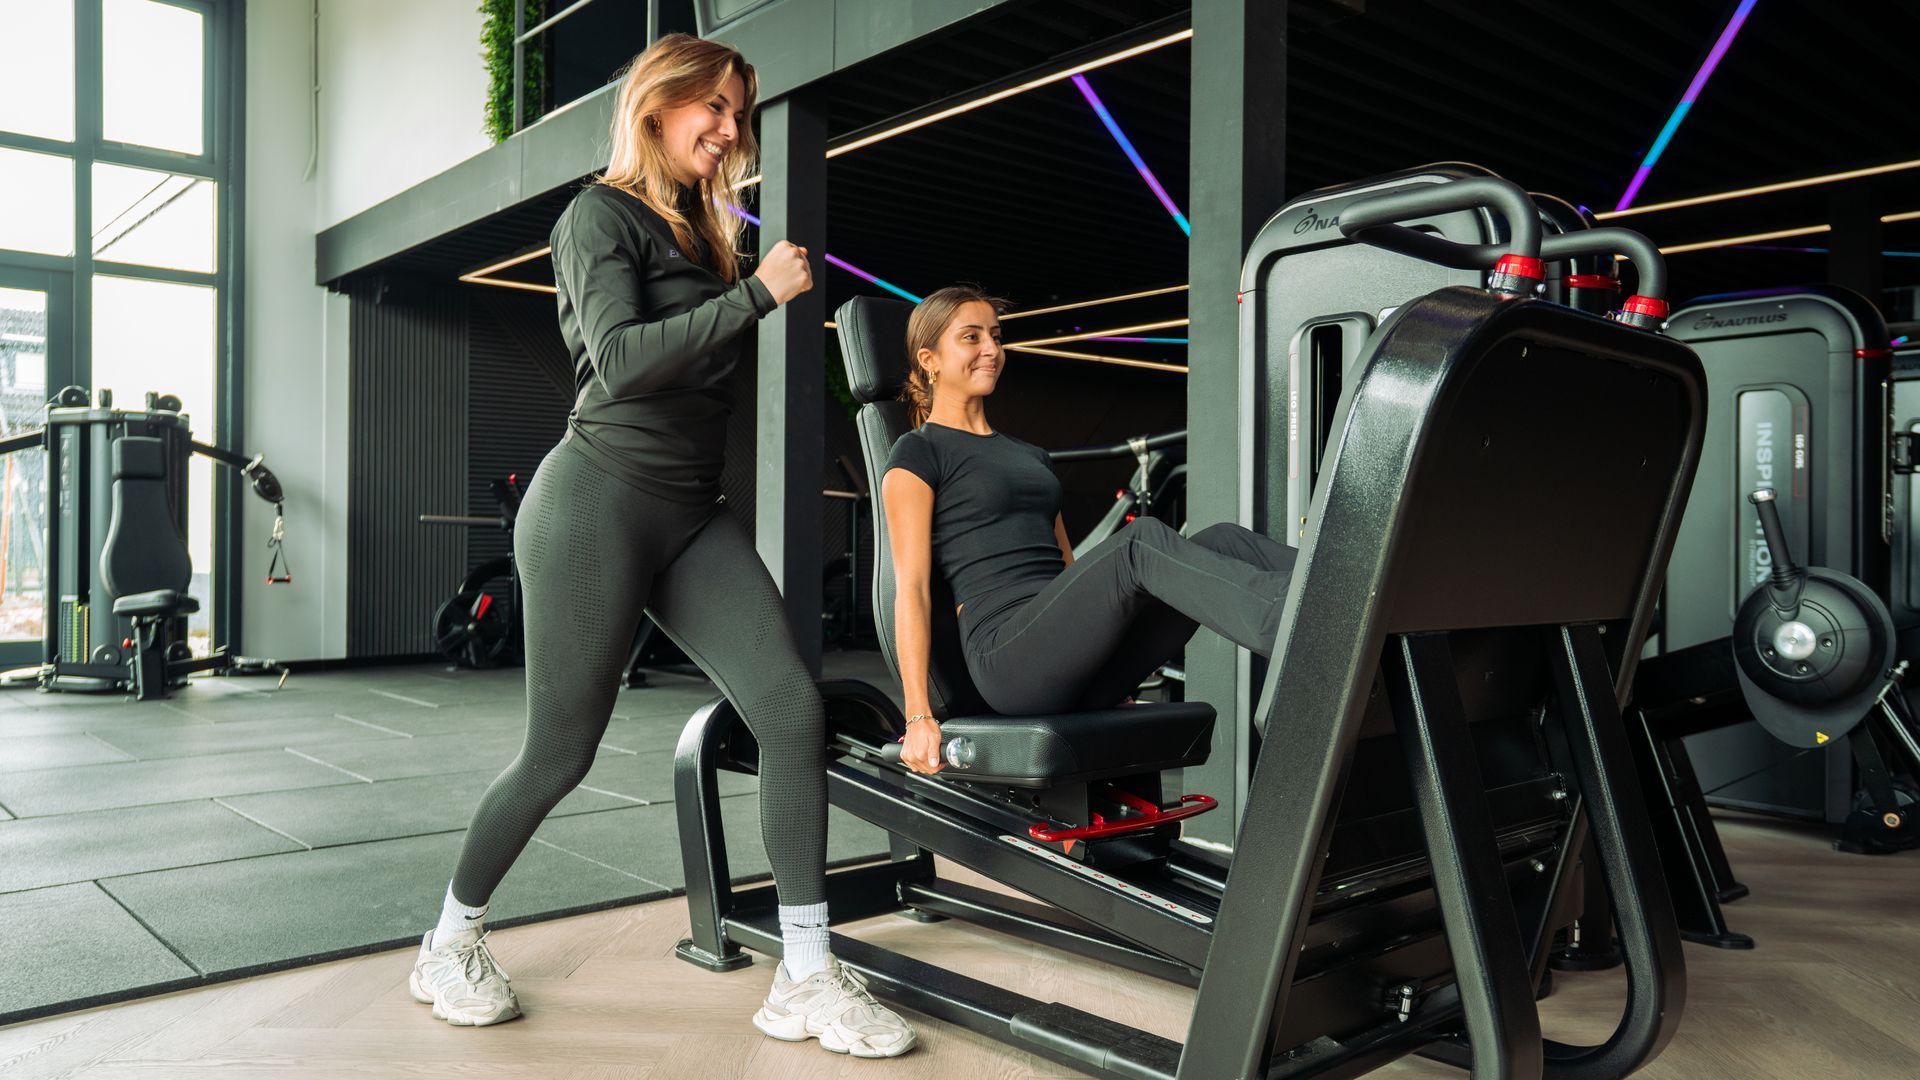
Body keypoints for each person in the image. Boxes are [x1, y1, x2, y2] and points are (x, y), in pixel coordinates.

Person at [407, 34, 915, 1058]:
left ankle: (805, 973)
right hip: (594, 501)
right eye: (713, 107)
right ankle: (448, 942)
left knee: (791, 710)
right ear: (657, 105)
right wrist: (757, 295)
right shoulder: (598, 216)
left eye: (739, 113)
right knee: (560, 753)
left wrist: (739, 283)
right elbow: (623, 362)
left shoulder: (705, 236)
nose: (729, 128)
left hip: (689, 513)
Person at [882, 286, 1298, 774]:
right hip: (1009, 660)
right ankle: (1296, 623)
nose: (991, 349)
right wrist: (918, 715)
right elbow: (912, 589)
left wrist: (1093, 642)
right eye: (971, 338)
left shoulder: (1031, 457)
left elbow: (1068, 568)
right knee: (1139, 542)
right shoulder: (918, 452)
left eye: (996, 336)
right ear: (929, 359)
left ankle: (1340, 587)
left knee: (1225, 539)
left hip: (1068, 657)